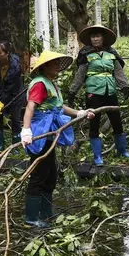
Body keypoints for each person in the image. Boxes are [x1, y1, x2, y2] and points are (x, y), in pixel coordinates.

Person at [22, 51, 95, 227]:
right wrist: (26, 130)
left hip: (51, 130)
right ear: (45, 66)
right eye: (54, 63)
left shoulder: (51, 84)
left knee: (51, 173)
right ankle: (31, 218)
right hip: (41, 131)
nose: (57, 66)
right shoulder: (40, 84)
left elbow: (58, 107)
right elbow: (30, 107)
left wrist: (79, 113)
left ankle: (46, 212)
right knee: (39, 173)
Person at [67, 25, 129, 166]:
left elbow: (118, 72)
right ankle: (97, 156)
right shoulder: (86, 54)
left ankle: (122, 151)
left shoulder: (111, 54)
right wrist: (73, 91)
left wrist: (125, 86)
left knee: (117, 122)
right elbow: (80, 75)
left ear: (103, 38)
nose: (95, 39)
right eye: (93, 36)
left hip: (110, 92)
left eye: (98, 36)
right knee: (94, 124)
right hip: (93, 93)